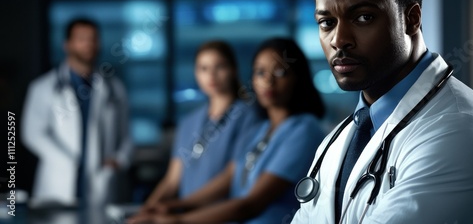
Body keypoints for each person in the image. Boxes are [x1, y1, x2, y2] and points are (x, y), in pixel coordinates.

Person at [291, 0, 473, 223]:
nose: (339, 40)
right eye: (327, 22)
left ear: (411, 19)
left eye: (363, 17)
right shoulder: (338, 141)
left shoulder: (459, 131)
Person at [128, 38, 326, 224]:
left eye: (281, 72)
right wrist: (169, 207)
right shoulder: (262, 130)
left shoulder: (304, 130)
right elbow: (229, 177)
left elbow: (250, 204)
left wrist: (178, 220)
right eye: (260, 72)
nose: (268, 81)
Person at [136, 40, 259, 214]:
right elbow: (172, 180)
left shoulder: (248, 117)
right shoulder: (189, 122)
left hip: (221, 216)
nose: (211, 75)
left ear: (233, 70)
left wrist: (178, 205)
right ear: (196, 73)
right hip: (186, 215)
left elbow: (231, 178)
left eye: (220, 67)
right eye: (204, 68)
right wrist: (146, 211)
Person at [21, 18, 132, 207]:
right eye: (81, 39)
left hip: (102, 183)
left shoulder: (114, 88)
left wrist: (119, 160)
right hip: (58, 184)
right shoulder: (43, 88)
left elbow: (127, 136)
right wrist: (66, 161)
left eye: (93, 39)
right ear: (67, 44)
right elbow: (32, 133)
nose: (88, 44)